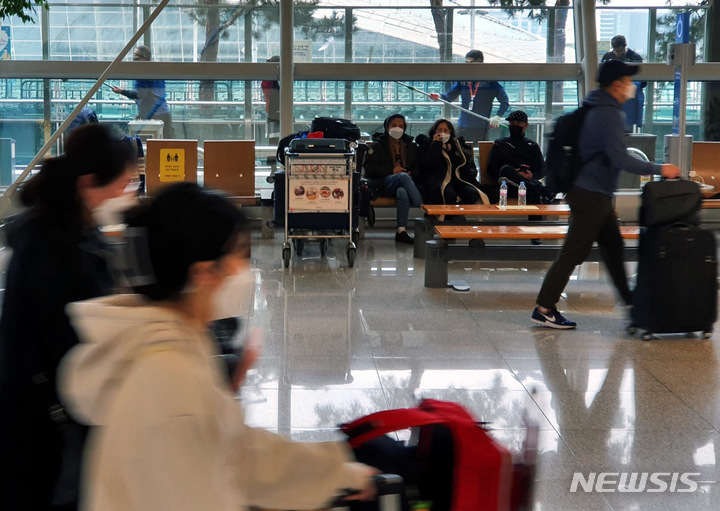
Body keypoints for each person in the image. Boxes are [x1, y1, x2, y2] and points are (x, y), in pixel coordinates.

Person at [57, 183, 377, 510]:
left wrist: (336, 472)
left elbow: (235, 451)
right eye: (239, 256)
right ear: (204, 273)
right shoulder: (172, 383)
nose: (246, 271)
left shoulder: (172, 344)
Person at [0, 124, 137, 510]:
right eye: (123, 184)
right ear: (90, 183)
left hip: (36, 410)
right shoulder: (58, 248)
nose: (128, 194)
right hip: (45, 423)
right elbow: (75, 335)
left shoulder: (54, 227)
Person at [531, 60, 681, 329]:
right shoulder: (609, 114)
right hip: (590, 194)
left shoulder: (596, 107)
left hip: (590, 191)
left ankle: (632, 305)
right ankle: (544, 307)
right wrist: (661, 168)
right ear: (616, 85)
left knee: (613, 248)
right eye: (628, 81)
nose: (632, 87)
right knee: (574, 253)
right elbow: (620, 158)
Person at [364, 114, 423, 244]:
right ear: (387, 127)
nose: (397, 129)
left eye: (401, 126)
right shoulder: (377, 146)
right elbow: (370, 169)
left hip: (406, 183)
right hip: (382, 184)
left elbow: (419, 167)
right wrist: (392, 171)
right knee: (401, 176)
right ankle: (422, 206)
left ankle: (401, 231)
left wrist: (411, 172)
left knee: (402, 192)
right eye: (394, 125)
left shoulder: (411, 146)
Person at [429, 50, 509, 143]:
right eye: (466, 63)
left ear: (480, 63)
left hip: (481, 127)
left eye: (471, 62)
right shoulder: (464, 81)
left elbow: (505, 102)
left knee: (478, 152)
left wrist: (498, 116)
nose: (468, 66)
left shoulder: (490, 83)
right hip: (463, 125)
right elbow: (448, 96)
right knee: (459, 150)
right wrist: (439, 97)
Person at [415, 118, 490, 206]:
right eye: (439, 130)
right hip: (438, 181)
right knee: (448, 194)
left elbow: (468, 166)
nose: (442, 133)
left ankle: (458, 215)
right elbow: (428, 165)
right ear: (434, 131)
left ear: (451, 133)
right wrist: (436, 144)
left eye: (446, 130)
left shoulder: (458, 146)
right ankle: (449, 217)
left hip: (458, 181)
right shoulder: (427, 145)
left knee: (472, 193)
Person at [486, 110, 554, 204]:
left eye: (518, 123)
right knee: (506, 169)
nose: (515, 126)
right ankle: (542, 190)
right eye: (512, 123)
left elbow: (542, 170)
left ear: (526, 125)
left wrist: (531, 175)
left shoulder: (532, 145)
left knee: (532, 193)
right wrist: (514, 174)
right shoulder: (500, 144)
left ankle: (536, 190)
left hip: (526, 185)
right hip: (505, 185)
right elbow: (491, 170)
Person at [111, 45, 174, 138]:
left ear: (144, 58)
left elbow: (140, 95)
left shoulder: (142, 73)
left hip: (154, 117)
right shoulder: (156, 70)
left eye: (136, 56)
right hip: (164, 113)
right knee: (165, 146)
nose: (134, 58)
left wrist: (122, 91)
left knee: (146, 145)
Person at [601, 35, 645, 132]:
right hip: (612, 98)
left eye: (619, 51)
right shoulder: (608, 57)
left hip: (629, 101)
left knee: (627, 128)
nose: (617, 53)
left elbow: (642, 81)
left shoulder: (635, 58)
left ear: (625, 47)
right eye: (615, 51)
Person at [261, 55, 281, 146]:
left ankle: (272, 159)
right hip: (275, 112)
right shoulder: (271, 81)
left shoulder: (266, 79)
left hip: (271, 110)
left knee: (273, 138)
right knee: (275, 139)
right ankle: (273, 159)